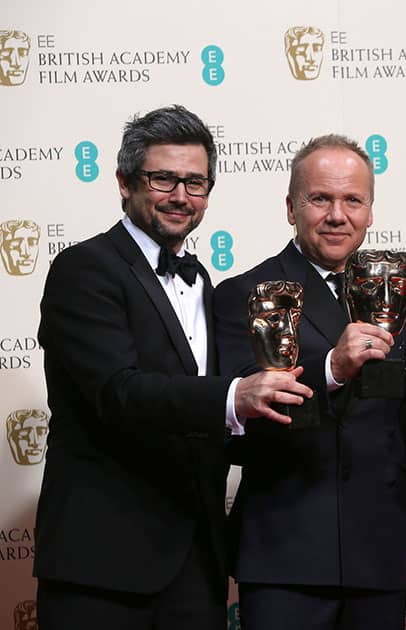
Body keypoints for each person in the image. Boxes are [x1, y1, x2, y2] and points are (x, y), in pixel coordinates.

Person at [34, 105, 313, 629]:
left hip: (194, 561)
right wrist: (233, 398)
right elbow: (118, 393)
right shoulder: (84, 269)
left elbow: (199, 421)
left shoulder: (203, 281)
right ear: (124, 182)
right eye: (163, 179)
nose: (181, 196)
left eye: (196, 183)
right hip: (103, 565)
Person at [213, 134, 406, 630]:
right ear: (291, 207)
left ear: (370, 211)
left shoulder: (399, 295)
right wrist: (331, 370)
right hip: (285, 558)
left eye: (352, 200)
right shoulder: (244, 294)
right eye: (321, 198)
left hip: (381, 556)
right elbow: (235, 424)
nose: (338, 215)